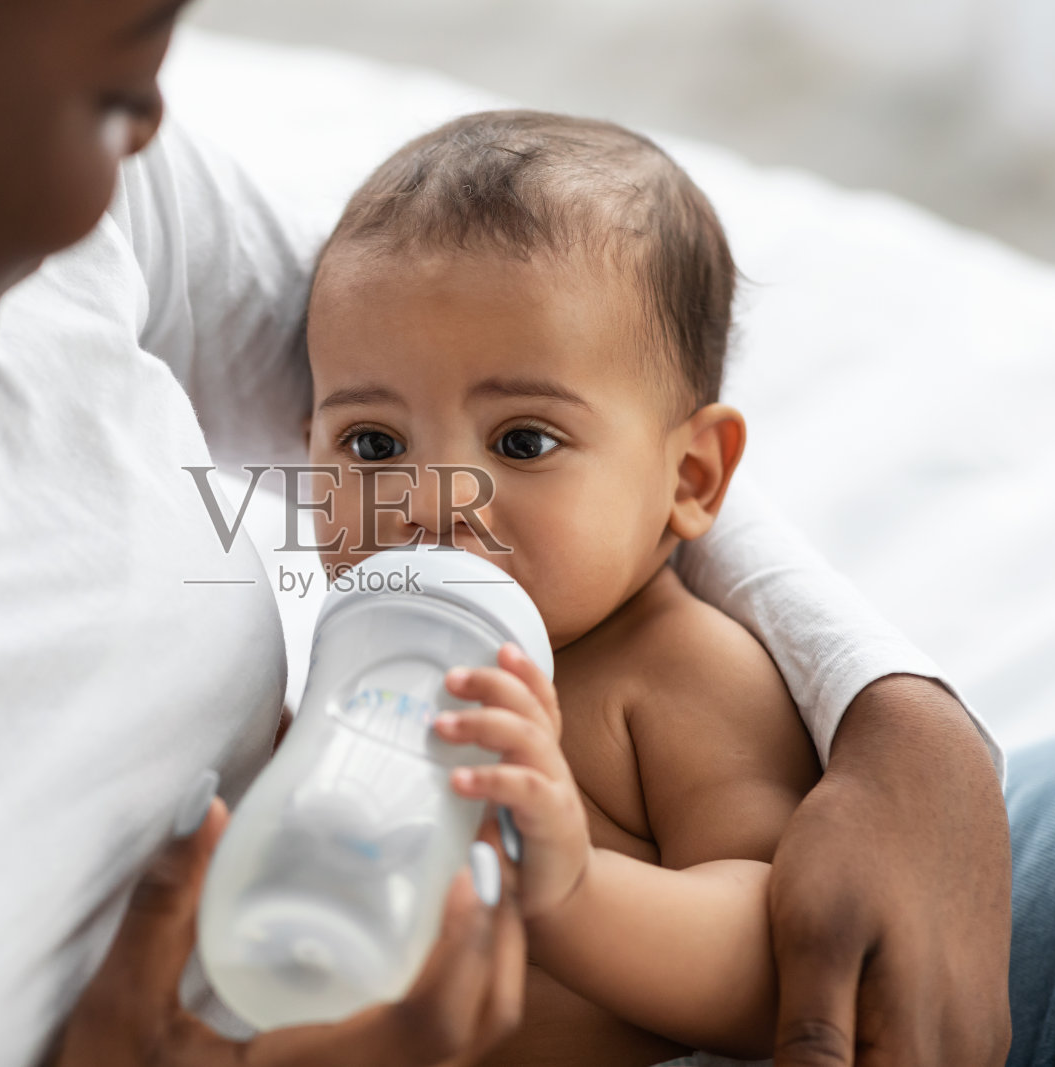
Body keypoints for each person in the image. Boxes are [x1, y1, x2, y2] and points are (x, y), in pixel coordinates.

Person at [0, 0, 1055, 1063]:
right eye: (111, 92)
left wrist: (900, 719)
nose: (152, 138)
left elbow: (555, 375)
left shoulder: (675, 676)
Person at [300, 109, 820, 1065]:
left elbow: (783, 964)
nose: (430, 500)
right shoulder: (349, 656)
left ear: (690, 476)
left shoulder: (680, 673)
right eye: (372, 445)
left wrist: (576, 890)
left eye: (522, 441)